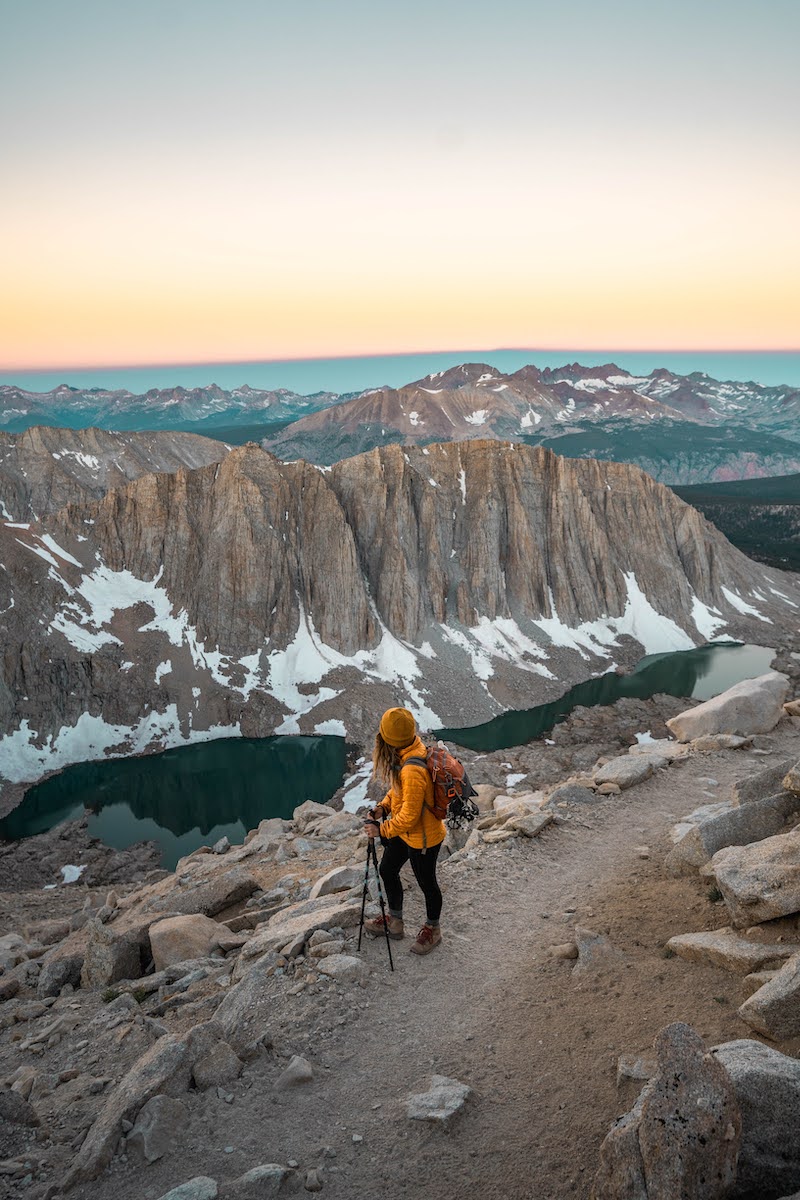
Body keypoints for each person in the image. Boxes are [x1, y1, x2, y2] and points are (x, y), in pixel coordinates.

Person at [362, 706, 445, 955]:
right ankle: (395, 922)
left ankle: (433, 930)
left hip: (423, 838)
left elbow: (409, 816)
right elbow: (399, 794)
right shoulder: (410, 751)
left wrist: (381, 830)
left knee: (427, 883)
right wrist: (382, 807)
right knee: (387, 869)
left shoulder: (411, 769)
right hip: (406, 831)